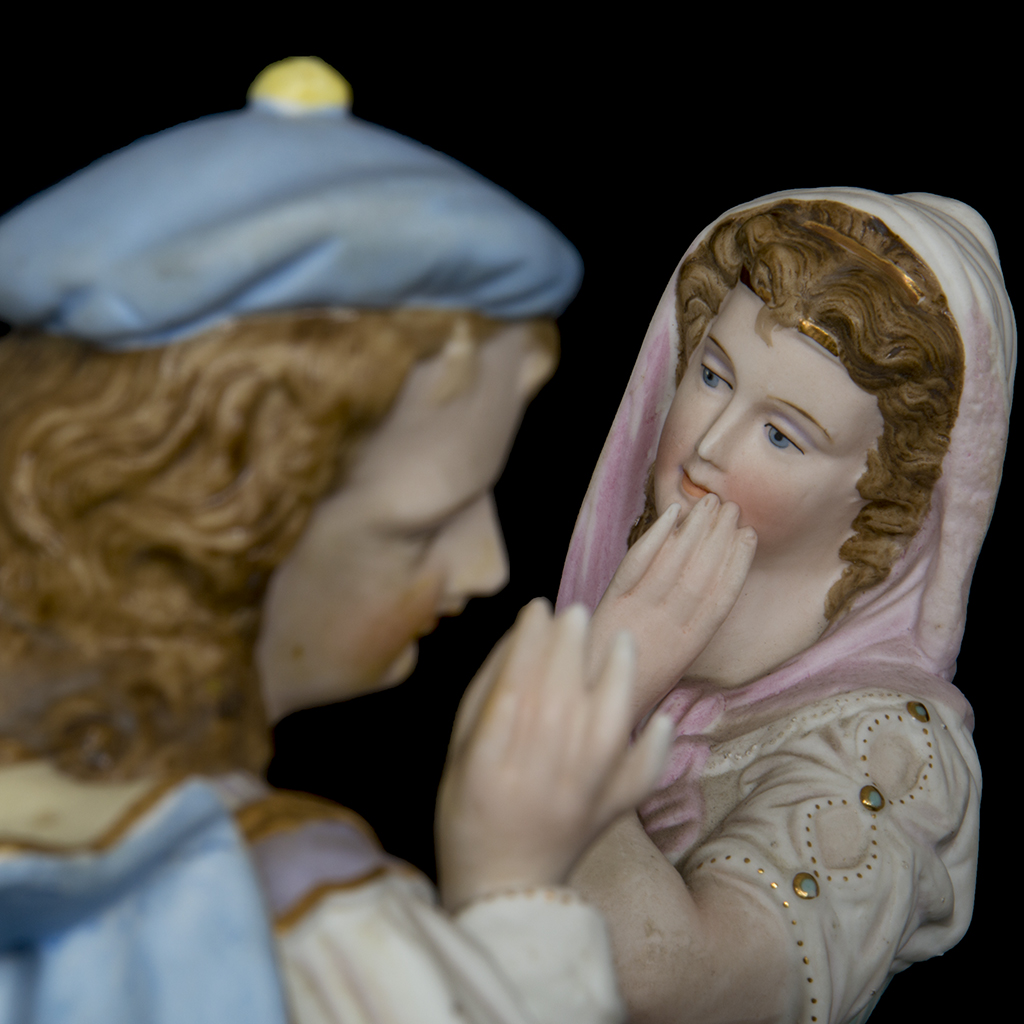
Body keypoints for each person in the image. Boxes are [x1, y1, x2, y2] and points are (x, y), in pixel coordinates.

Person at [0, 58, 671, 1024]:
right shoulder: (297, 923)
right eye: (423, 528)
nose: (488, 568)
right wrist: (515, 883)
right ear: (222, 532)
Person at [556, 190, 1014, 1024]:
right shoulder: (614, 615)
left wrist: (588, 717)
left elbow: (670, 985)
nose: (707, 448)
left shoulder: (888, 750)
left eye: (782, 435)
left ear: (885, 490)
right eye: (712, 376)